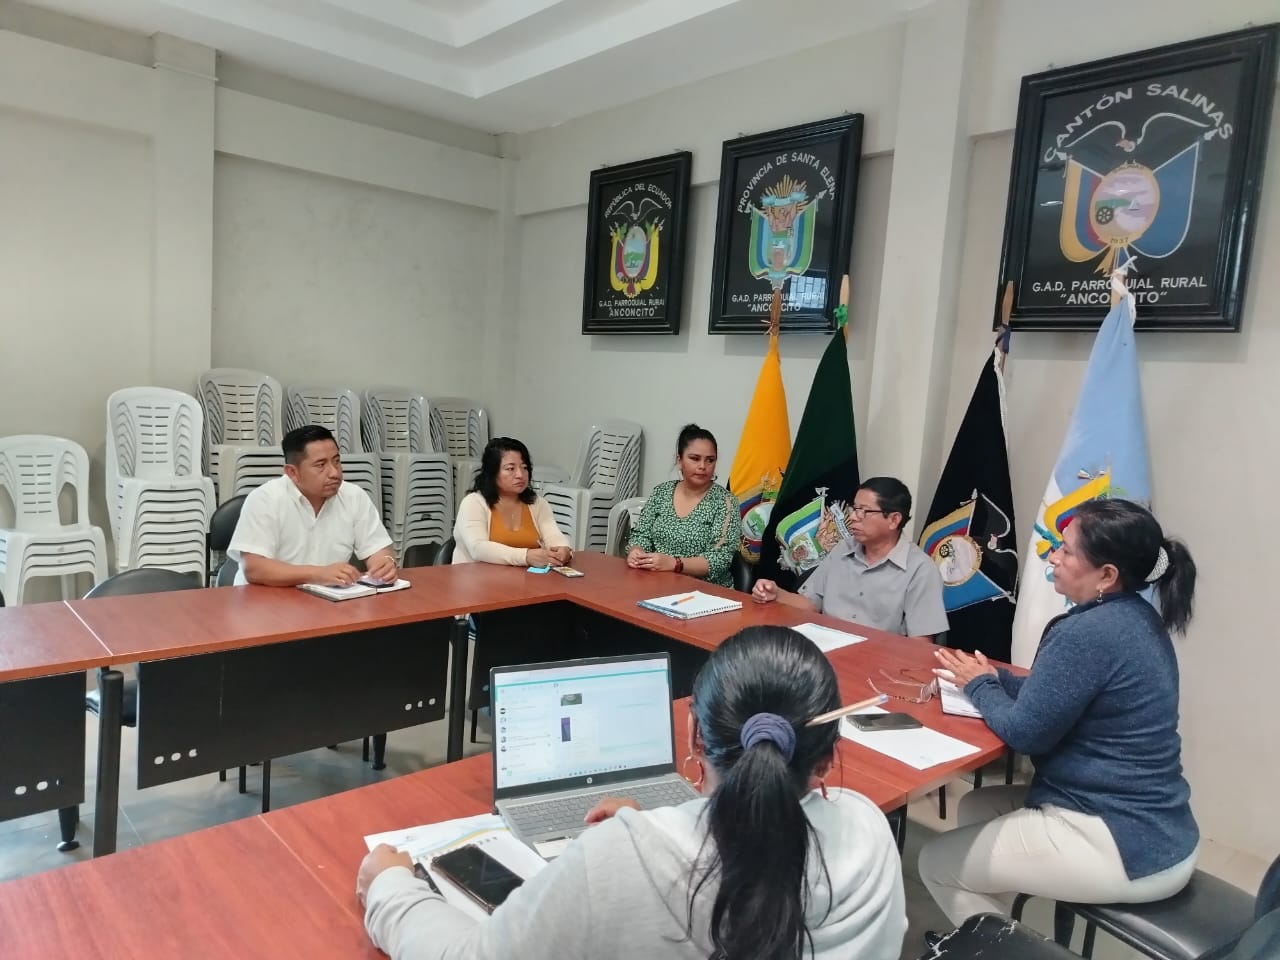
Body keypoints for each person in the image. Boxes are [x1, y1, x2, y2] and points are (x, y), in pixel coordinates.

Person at [356, 625, 908, 960]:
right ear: (827, 755)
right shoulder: (869, 830)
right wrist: (659, 823)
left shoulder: (616, 858)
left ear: (693, 734)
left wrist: (391, 887)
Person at [917, 498, 1200, 926]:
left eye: (1066, 551)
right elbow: (1057, 696)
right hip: (1156, 826)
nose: (1052, 557)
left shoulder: (1088, 632)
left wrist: (979, 685)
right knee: (976, 807)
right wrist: (993, 677)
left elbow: (1025, 732)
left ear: (1107, 575)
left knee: (936, 864)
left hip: (1120, 842)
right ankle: (992, 929)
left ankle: (1000, 950)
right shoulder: (1134, 617)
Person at [751, 476, 947, 640]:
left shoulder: (920, 569)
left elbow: (920, 646)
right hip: (826, 650)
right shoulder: (843, 548)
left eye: (864, 511)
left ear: (894, 520)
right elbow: (810, 605)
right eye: (854, 508)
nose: (852, 517)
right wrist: (776, 594)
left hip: (879, 662)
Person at [228, 424, 397, 587]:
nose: (335, 473)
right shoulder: (265, 499)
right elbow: (254, 568)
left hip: (328, 598)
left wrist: (384, 564)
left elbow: (378, 549)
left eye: (336, 461)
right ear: (293, 472)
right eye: (321, 465)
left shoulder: (354, 496)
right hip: (265, 598)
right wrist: (317, 574)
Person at [626, 424, 738, 589]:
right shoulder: (661, 492)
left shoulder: (725, 502)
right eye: (695, 458)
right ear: (679, 460)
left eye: (710, 460)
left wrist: (675, 564)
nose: (703, 466)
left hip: (706, 590)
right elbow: (641, 535)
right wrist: (636, 551)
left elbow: (720, 559)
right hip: (655, 583)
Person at [453, 437, 572, 568]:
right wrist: (525, 556)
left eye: (524, 467)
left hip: (524, 579)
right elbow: (478, 548)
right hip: (475, 577)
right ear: (492, 472)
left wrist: (564, 550)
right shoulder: (473, 503)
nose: (520, 475)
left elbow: (553, 535)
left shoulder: (538, 503)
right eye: (510, 469)